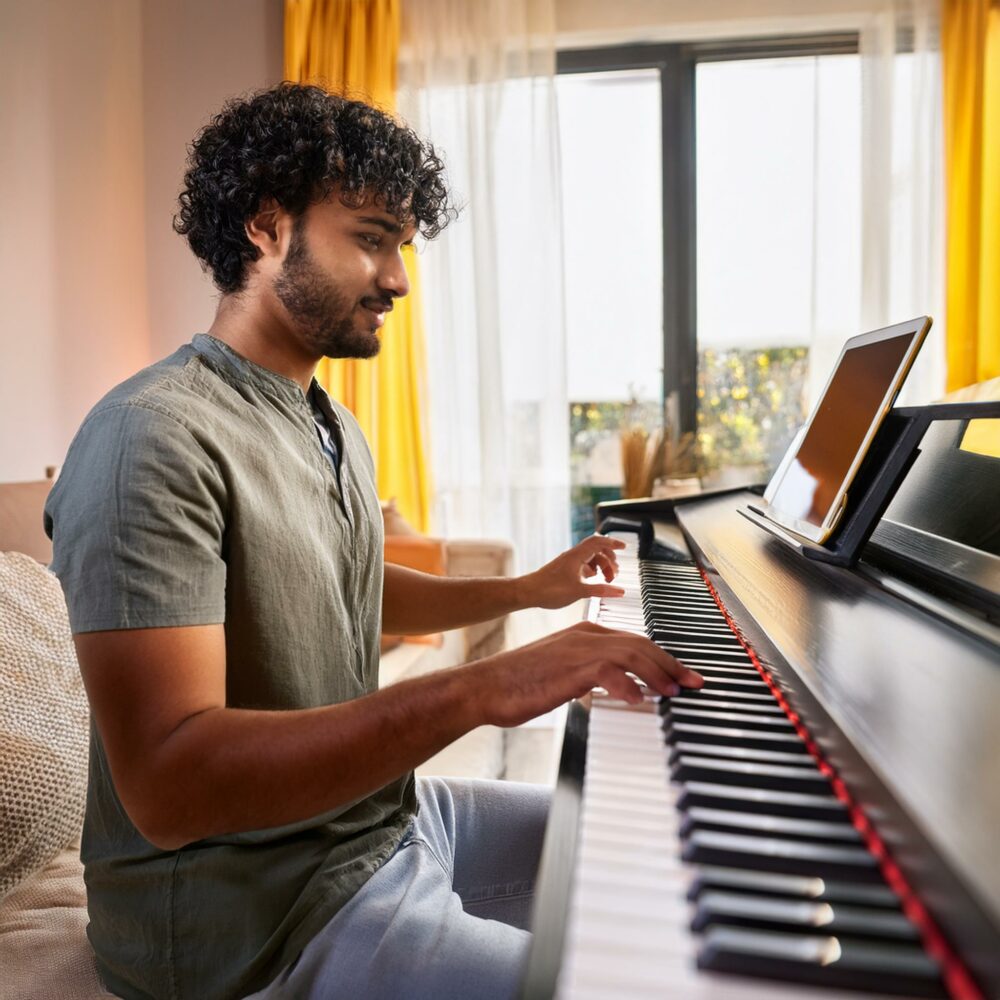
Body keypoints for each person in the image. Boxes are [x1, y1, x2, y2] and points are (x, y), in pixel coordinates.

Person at [44, 83, 702, 1000]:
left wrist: (526, 593)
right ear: (268, 229)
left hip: (375, 825)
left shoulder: (330, 423)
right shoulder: (150, 437)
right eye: (369, 238)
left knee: (669, 844)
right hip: (248, 913)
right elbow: (169, 788)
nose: (396, 280)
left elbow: (342, 583)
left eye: (401, 246)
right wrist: (482, 687)